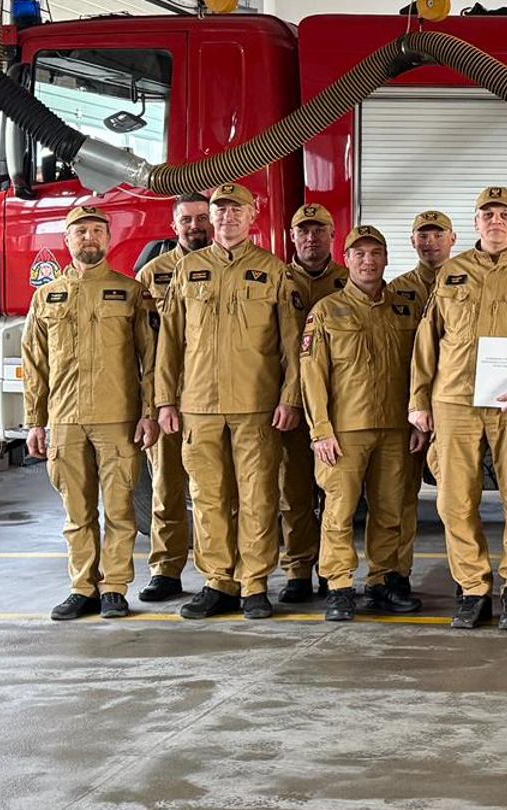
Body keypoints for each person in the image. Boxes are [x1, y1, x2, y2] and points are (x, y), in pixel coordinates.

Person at [409, 185, 507, 630]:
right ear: (474, 224)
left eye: (504, 215)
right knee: (454, 500)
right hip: (455, 400)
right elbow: (428, 339)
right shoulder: (452, 272)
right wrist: (419, 400)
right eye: (487, 214)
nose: (495, 221)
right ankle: (473, 589)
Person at [155, 182, 305, 620]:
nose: (227, 217)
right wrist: (166, 401)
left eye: (236, 210)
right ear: (211, 217)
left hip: (256, 405)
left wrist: (291, 397)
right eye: (220, 211)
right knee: (207, 496)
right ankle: (218, 581)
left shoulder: (274, 271)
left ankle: (254, 584)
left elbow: (292, 346)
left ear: (253, 216)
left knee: (258, 496)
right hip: (199, 405)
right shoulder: (188, 270)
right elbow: (170, 343)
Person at [25, 206, 160, 620]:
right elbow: (34, 362)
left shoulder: (131, 292)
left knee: (119, 509)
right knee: (76, 512)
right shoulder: (47, 297)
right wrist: (35, 421)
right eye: (80, 231)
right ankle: (83, 587)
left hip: (117, 417)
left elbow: (150, 358)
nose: (89, 237)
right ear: (66, 241)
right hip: (65, 420)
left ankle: (114, 588)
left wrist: (149, 411)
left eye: (97, 231)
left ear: (108, 239)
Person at [300, 225, 427, 620]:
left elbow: (422, 367)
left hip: (395, 428)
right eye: (359, 254)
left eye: (375, 253)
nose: (368, 261)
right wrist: (320, 430)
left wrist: (419, 423)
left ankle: (382, 581)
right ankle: (339, 585)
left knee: (391, 511)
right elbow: (312, 376)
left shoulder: (405, 309)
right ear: (347, 260)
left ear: (387, 259)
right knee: (338, 512)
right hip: (345, 431)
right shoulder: (327, 311)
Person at [375, 209, 460, 605]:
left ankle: (467, 574)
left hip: (459, 407)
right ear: (412, 243)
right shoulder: (395, 292)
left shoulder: (469, 282)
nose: (430, 242)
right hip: (409, 412)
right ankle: (394, 575)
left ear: (453, 238)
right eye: (422, 236)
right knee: (400, 497)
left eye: (437, 234)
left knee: (462, 496)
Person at [133, 192, 209, 602]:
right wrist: (150, 404)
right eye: (187, 220)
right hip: (167, 399)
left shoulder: (226, 270)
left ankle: (221, 571)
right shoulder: (152, 275)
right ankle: (165, 570)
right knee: (165, 487)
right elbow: (143, 346)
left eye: (202, 218)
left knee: (218, 492)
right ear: (174, 227)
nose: (196, 226)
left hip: (215, 399)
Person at [277, 203, 351, 603]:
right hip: (289, 406)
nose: (311, 238)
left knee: (337, 494)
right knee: (295, 492)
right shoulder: (276, 280)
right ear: (292, 237)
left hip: (340, 407)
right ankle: (298, 569)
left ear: (332, 236)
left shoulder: (351, 279)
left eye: (319, 230)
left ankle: (331, 569)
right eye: (303, 231)